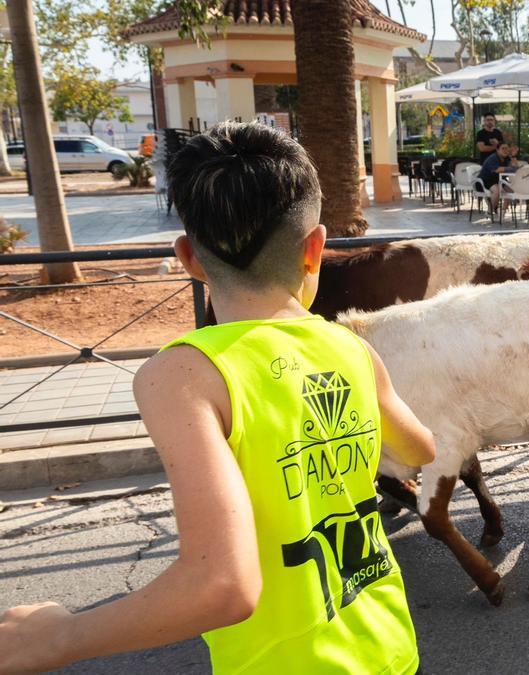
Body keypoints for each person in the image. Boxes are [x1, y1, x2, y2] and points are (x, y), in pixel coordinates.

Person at [0, 123, 437, 674]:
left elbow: (224, 587)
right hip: (388, 647)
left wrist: (61, 636)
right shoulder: (348, 347)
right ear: (315, 249)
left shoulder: (183, 375)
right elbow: (419, 448)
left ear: (189, 258)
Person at [479, 141, 521, 215]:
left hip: (499, 180)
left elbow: (516, 167)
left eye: (507, 149)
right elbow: (497, 169)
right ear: (497, 150)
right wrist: (511, 168)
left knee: (511, 191)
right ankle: (490, 211)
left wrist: (513, 156)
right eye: (503, 148)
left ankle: (502, 212)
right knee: (496, 191)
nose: (505, 150)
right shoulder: (493, 158)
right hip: (486, 180)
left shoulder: (507, 157)